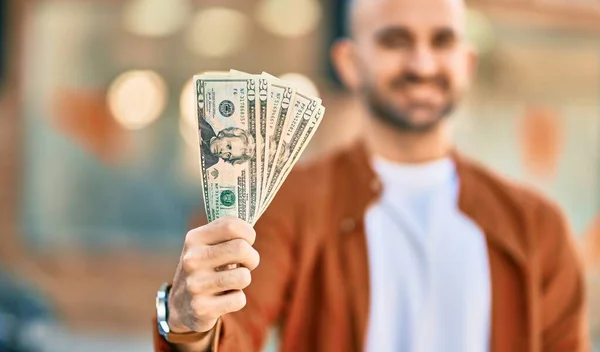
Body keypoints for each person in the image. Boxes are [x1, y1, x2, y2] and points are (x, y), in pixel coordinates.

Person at [154, 0, 589, 350]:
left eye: (442, 41)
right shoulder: (293, 204)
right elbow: (233, 332)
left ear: (467, 63)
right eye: (395, 41)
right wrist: (189, 324)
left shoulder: (537, 225)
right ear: (348, 62)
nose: (422, 63)